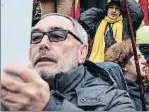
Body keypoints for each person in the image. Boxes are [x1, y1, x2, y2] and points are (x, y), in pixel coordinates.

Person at [0, 13, 135, 111]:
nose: (43, 44)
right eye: (35, 37)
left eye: (57, 35)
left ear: (82, 52)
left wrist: (49, 106)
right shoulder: (7, 96)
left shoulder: (115, 100)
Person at [79, 0, 144, 62]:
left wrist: (122, 1)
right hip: (100, 64)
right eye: (111, 7)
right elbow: (84, 19)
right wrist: (101, 11)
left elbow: (138, 13)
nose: (114, 11)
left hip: (121, 62)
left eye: (117, 8)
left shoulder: (127, 24)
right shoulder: (98, 25)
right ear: (107, 10)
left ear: (121, 12)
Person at [105, 39, 149, 111]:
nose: (144, 61)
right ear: (123, 65)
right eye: (138, 57)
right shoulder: (116, 96)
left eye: (142, 56)